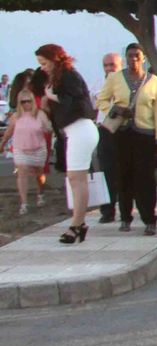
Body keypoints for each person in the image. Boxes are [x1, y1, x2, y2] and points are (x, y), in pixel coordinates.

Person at [96, 42, 157, 234]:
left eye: (137, 55)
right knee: (123, 176)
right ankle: (125, 216)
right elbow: (101, 99)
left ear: (143, 58)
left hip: (145, 135)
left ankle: (149, 219)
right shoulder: (115, 79)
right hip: (121, 134)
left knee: (145, 179)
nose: (133, 59)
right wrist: (114, 110)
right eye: (130, 56)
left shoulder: (155, 82)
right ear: (125, 58)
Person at [33, 44, 98, 243]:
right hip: (74, 131)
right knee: (74, 179)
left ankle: (77, 224)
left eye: (44, 63)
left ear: (54, 59)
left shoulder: (69, 75)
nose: (42, 67)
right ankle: (79, 223)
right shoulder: (60, 77)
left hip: (81, 129)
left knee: (77, 179)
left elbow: (72, 101)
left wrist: (52, 96)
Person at [1, 88, 49, 214]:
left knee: (40, 174)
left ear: (33, 101)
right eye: (23, 102)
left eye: (28, 101)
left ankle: (41, 193)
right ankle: (24, 203)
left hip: (38, 148)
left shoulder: (40, 114)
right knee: (21, 173)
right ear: (19, 103)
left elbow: (48, 128)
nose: (26, 104)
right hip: (21, 149)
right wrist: (2, 144)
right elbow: (8, 132)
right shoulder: (16, 117)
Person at [92, 50, 124, 225]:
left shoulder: (127, 84)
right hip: (104, 130)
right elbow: (91, 106)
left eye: (112, 65)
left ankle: (127, 209)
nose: (109, 68)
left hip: (124, 130)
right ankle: (107, 210)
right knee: (105, 171)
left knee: (125, 170)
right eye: (106, 65)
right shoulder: (97, 84)